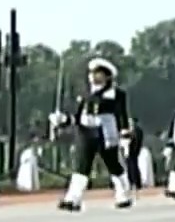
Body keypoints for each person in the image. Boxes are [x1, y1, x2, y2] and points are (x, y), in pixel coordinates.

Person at [52, 57, 134, 212]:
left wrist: (124, 134)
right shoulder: (84, 93)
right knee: (81, 167)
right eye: (91, 72)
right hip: (85, 132)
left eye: (97, 73)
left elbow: (121, 115)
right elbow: (77, 116)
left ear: (106, 76)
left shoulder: (116, 94)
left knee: (114, 166)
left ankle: (123, 195)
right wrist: (63, 119)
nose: (92, 76)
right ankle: (73, 199)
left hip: (105, 132)